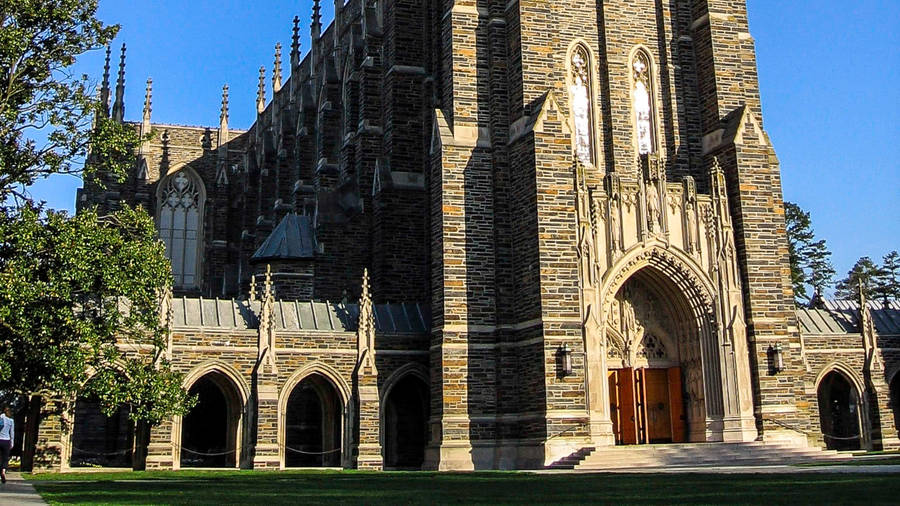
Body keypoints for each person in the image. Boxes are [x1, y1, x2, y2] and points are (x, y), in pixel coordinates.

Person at [0, 406, 13, 484]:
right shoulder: (11, 420)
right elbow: (12, 433)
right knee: (5, 458)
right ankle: (3, 472)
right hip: (6, 440)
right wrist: (12, 442)